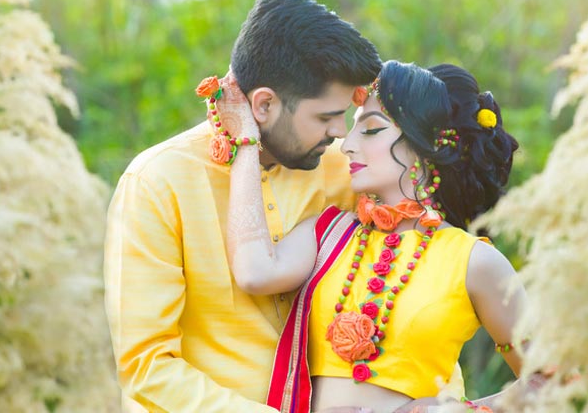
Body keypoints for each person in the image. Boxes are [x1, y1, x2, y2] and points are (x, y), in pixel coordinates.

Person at [104, 0, 384, 412]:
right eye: (326, 117)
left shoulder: (343, 171)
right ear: (265, 104)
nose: (340, 132)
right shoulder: (157, 182)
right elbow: (146, 366)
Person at [220, 60, 527, 413]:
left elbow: (549, 378)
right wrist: (246, 141)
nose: (347, 144)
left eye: (370, 130)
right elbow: (254, 272)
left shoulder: (474, 260)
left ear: (425, 144)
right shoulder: (330, 232)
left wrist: (458, 411)